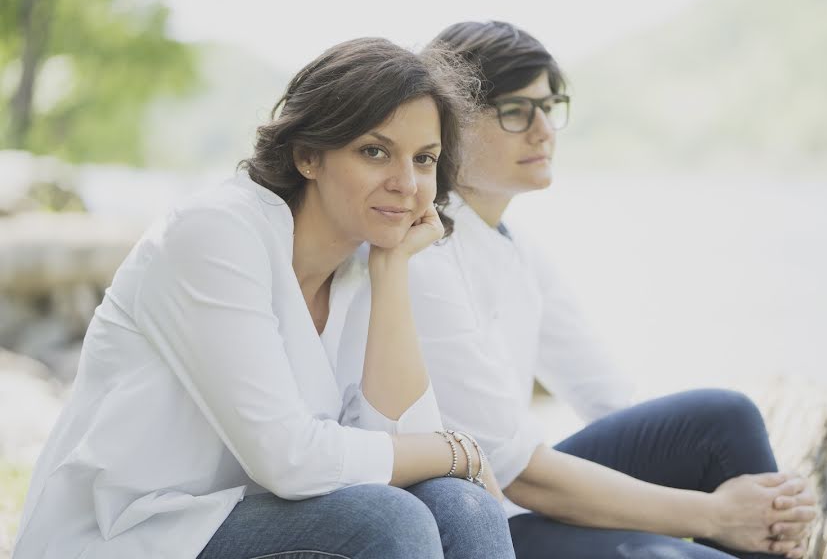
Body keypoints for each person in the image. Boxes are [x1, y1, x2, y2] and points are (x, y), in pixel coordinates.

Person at [12, 38, 515, 559]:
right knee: (389, 520)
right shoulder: (217, 234)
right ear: (308, 155)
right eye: (374, 151)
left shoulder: (368, 263)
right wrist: (458, 448)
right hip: (130, 533)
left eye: (424, 159)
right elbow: (290, 460)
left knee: (458, 504)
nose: (407, 184)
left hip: (263, 519)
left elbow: (400, 448)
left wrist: (391, 274)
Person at [398, 21, 818, 559]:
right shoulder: (425, 254)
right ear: (449, 124)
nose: (544, 129)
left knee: (723, 418)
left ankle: (771, 533)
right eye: (516, 111)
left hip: (519, 496)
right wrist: (714, 515)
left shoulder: (515, 248)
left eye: (550, 107)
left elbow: (609, 400)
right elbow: (513, 469)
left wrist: (765, 507)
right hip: (470, 520)